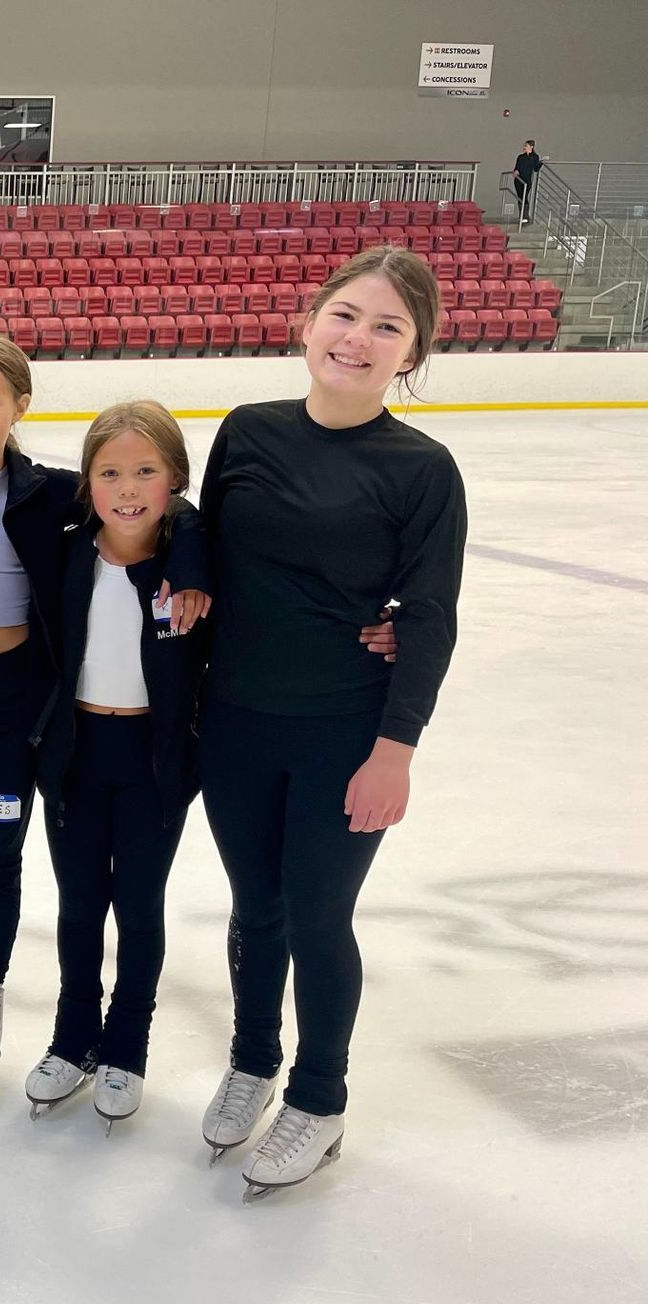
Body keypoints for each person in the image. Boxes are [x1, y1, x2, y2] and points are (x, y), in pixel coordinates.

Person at [0, 334, 211, 1116]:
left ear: (20, 405)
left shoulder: (51, 496)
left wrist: (189, 559)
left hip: (14, 716)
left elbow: (162, 505)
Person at [197, 246, 466, 1199]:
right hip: (233, 721)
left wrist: (396, 750)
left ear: (412, 354)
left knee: (317, 914)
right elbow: (203, 555)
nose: (359, 338)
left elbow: (429, 617)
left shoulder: (422, 470)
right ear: (309, 322)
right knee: (254, 906)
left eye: (388, 327)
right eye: (346, 315)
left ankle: (319, 1100)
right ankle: (253, 1060)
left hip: (342, 731)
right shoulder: (247, 431)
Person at [23, 402, 211, 1132]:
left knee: (137, 904)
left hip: (152, 760)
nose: (127, 489)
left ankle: (127, 1043)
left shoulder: (193, 565)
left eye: (145, 472)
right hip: (74, 752)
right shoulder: (68, 550)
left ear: (175, 479)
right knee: (78, 904)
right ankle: (73, 1036)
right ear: (87, 482)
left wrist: (188, 546)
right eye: (108, 473)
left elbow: (195, 521)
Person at [513, 141, 542, 223]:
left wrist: (541, 162)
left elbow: (536, 169)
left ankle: (525, 216)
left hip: (527, 180)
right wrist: (515, 171)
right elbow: (516, 167)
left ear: (531, 147)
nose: (524, 147)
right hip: (519, 179)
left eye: (526, 146)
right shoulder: (520, 157)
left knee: (524, 197)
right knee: (520, 197)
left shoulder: (535, 157)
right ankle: (521, 215)